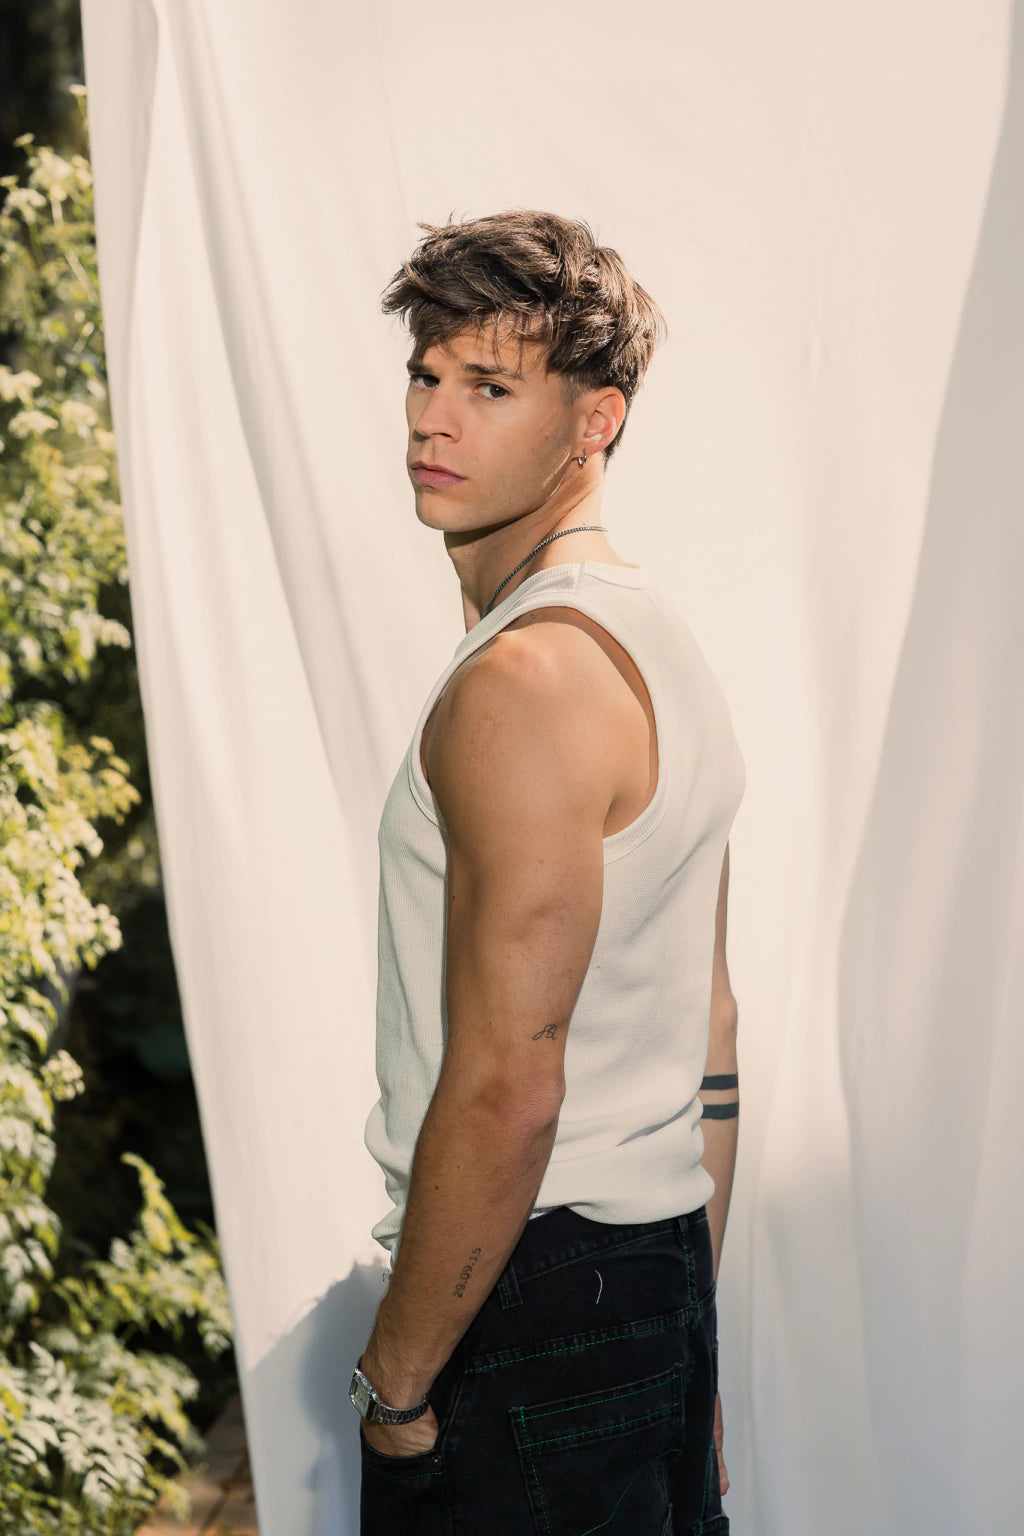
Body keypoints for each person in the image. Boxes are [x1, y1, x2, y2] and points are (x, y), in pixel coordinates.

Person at [351, 209, 744, 1534]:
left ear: (596, 422)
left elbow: (510, 1086)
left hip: (524, 1294)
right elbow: (712, 1038)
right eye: (427, 374)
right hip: (653, 1281)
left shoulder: (527, 681)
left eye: (491, 386)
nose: (433, 418)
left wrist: (398, 1386)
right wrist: (687, 1342)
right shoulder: (657, 647)